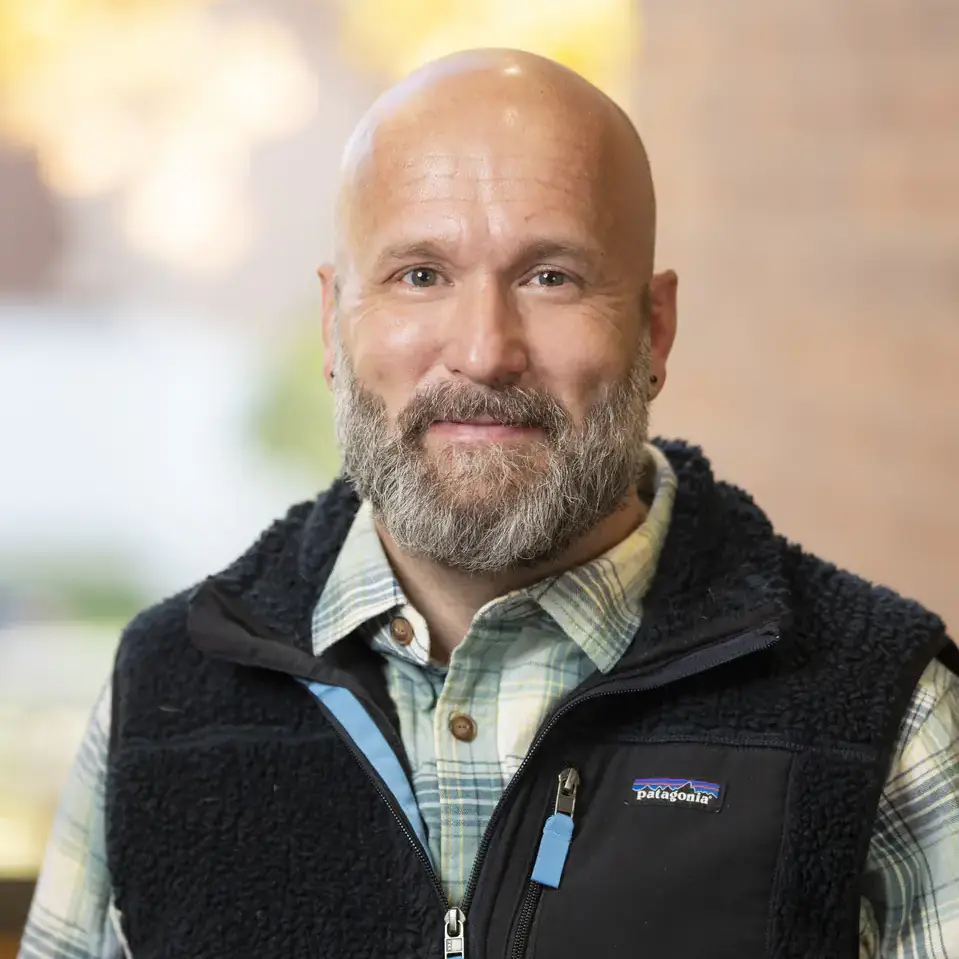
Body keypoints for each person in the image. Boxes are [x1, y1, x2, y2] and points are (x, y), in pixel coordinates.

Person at [19, 49, 959, 959]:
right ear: (333, 324)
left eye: (550, 276)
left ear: (654, 327)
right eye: (419, 274)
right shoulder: (161, 695)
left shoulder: (883, 713)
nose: (482, 349)